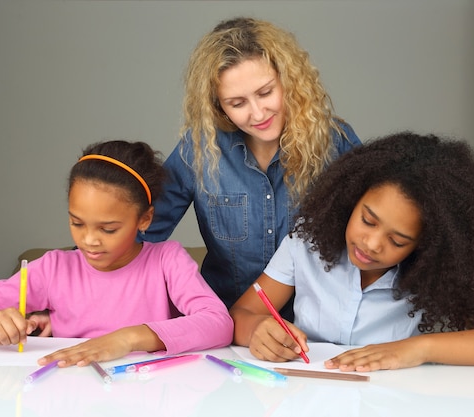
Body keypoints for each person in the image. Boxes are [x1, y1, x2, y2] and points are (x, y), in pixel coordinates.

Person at [229, 131, 474, 371]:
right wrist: (259, 331)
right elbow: (240, 315)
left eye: (399, 241)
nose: (372, 244)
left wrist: (417, 349)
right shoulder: (305, 243)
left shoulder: (440, 271)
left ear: (427, 245)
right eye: (367, 220)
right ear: (351, 199)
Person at [140, 17, 362, 316]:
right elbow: (138, 230)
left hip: (316, 329)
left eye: (266, 92)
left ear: (289, 81)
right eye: (237, 103)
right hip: (225, 324)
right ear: (218, 106)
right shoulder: (199, 149)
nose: (258, 113)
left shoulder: (336, 142)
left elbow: (381, 232)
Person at [0, 140, 233, 367]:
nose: (89, 240)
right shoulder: (53, 268)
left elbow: (218, 323)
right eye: (76, 223)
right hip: (68, 392)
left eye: (108, 229)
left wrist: (129, 338)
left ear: (144, 220)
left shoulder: (166, 260)